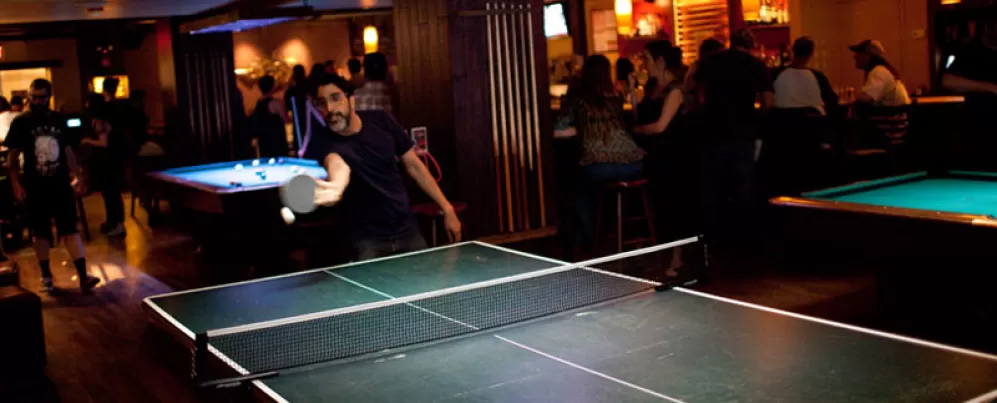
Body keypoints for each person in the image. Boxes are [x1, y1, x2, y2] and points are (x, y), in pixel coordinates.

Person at [309, 73, 461, 260]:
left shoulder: (381, 120)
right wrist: (335, 187)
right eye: (322, 103)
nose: (330, 108)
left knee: (425, 285)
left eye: (335, 98)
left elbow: (414, 165)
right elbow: (337, 165)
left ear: (352, 100)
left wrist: (447, 208)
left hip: (406, 227)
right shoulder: (324, 140)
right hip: (365, 239)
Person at [5, 79, 100, 293]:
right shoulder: (21, 122)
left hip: (59, 184)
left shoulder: (58, 120)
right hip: (35, 185)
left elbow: (66, 149)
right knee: (40, 232)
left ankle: (83, 276)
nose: (37, 101)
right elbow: (12, 157)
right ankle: (46, 276)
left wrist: (77, 174)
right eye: (34, 97)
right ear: (30, 96)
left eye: (42, 97)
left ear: (49, 96)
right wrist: (16, 184)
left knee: (69, 229)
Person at [553, 54, 646, 250]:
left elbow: (558, 131)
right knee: (604, 190)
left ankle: (589, 241)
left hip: (601, 167)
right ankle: (617, 232)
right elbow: (629, 122)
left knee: (577, 188)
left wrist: (578, 129)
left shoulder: (577, 98)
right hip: (634, 165)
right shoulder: (616, 98)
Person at [693, 28, 773, 252]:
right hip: (742, 133)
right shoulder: (756, 66)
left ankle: (712, 240)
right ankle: (744, 242)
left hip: (712, 131)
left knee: (711, 188)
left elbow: (698, 92)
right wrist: (754, 117)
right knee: (743, 188)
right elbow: (768, 102)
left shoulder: (713, 61)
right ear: (750, 46)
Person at [633, 40, 692, 273]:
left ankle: (677, 258)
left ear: (659, 61)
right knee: (661, 206)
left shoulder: (676, 90)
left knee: (675, 206)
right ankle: (662, 252)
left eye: (646, 58)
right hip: (656, 156)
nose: (643, 63)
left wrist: (637, 131)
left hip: (674, 157)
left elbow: (660, 126)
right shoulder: (651, 88)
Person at [942, 12, 997, 170]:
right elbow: (948, 81)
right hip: (978, 129)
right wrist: (990, 87)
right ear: (988, 27)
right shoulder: (970, 51)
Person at [80, 77, 128, 236]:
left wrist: (88, 140)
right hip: (114, 159)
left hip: (106, 161)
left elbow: (103, 143)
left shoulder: (99, 120)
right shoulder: (115, 110)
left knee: (110, 193)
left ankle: (116, 223)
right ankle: (114, 222)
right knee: (111, 192)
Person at [250, 75, 291, 158]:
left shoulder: (259, 103)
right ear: (272, 86)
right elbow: (286, 119)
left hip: (264, 140)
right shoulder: (276, 103)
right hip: (276, 140)